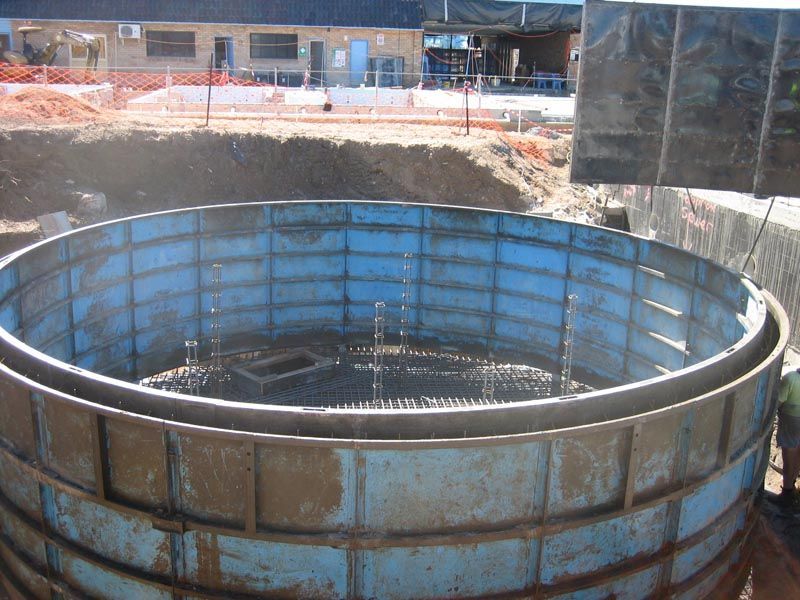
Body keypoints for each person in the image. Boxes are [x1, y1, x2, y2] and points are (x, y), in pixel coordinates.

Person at [776, 366, 800, 508]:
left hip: (791, 423)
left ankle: (787, 492)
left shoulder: (790, 378)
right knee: (798, 455)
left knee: (789, 457)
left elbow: (778, 401)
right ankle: (792, 483)